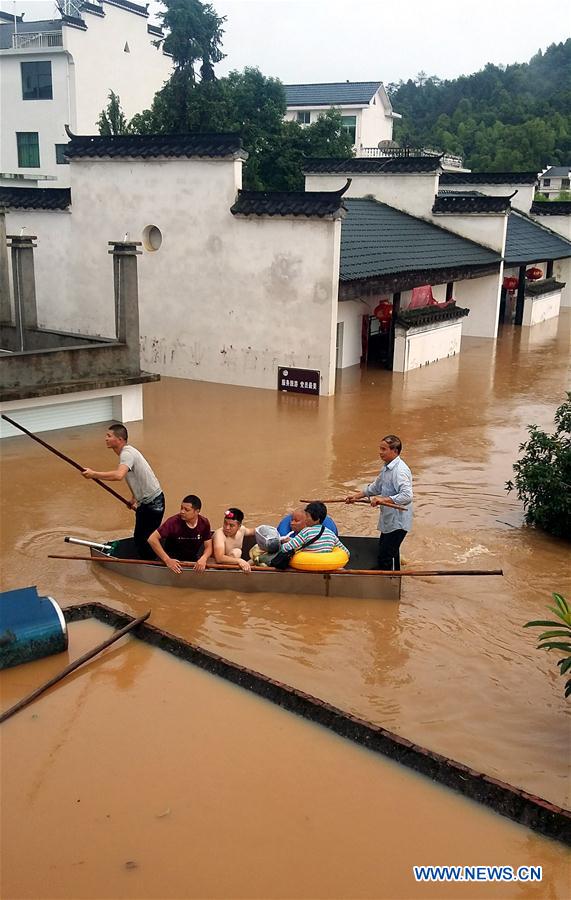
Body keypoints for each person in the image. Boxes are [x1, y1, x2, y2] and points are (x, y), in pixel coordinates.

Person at [82, 422, 164, 559]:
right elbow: (137, 478)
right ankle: (150, 559)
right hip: (148, 502)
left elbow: (119, 475)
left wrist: (93, 474)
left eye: (109, 436)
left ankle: (151, 564)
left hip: (153, 503)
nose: (106, 438)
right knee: (143, 537)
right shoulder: (128, 453)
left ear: (119, 440)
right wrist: (133, 498)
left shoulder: (127, 454)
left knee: (143, 539)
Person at [345, 434, 413, 571]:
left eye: (384, 449)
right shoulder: (387, 467)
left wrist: (383, 499)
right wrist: (356, 496)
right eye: (380, 448)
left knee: (385, 556)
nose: (380, 452)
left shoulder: (400, 471)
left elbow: (407, 496)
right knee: (386, 548)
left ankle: (388, 584)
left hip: (397, 522)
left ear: (395, 451)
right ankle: (396, 571)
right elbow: (376, 487)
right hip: (389, 519)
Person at [147, 495, 213, 575]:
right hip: (171, 561)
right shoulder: (173, 522)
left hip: (191, 561)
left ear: (197, 511)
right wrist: (167, 560)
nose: (182, 511)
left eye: (186, 510)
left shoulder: (204, 523)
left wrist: (204, 558)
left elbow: (208, 546)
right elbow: (152, 539)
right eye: (181, 508)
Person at [280, 502, 350, 556]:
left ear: (317, 519)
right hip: (326, 565)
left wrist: (282, 545)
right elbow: (346, 552)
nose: (305, 519)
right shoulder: (331, 534)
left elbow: (287, 548)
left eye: (307, 516)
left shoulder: (306, 532)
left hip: (307, 565)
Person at [212, 508, 255, 573]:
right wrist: (239, 561)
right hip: (217, 568)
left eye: (231, 525)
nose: (227, 528)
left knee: (258, 555)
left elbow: (253, 531)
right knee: (236, 552)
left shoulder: (242, 530)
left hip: (233, 565)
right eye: (225, 523)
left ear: (239, 526)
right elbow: (219, 558)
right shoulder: (219, 534)